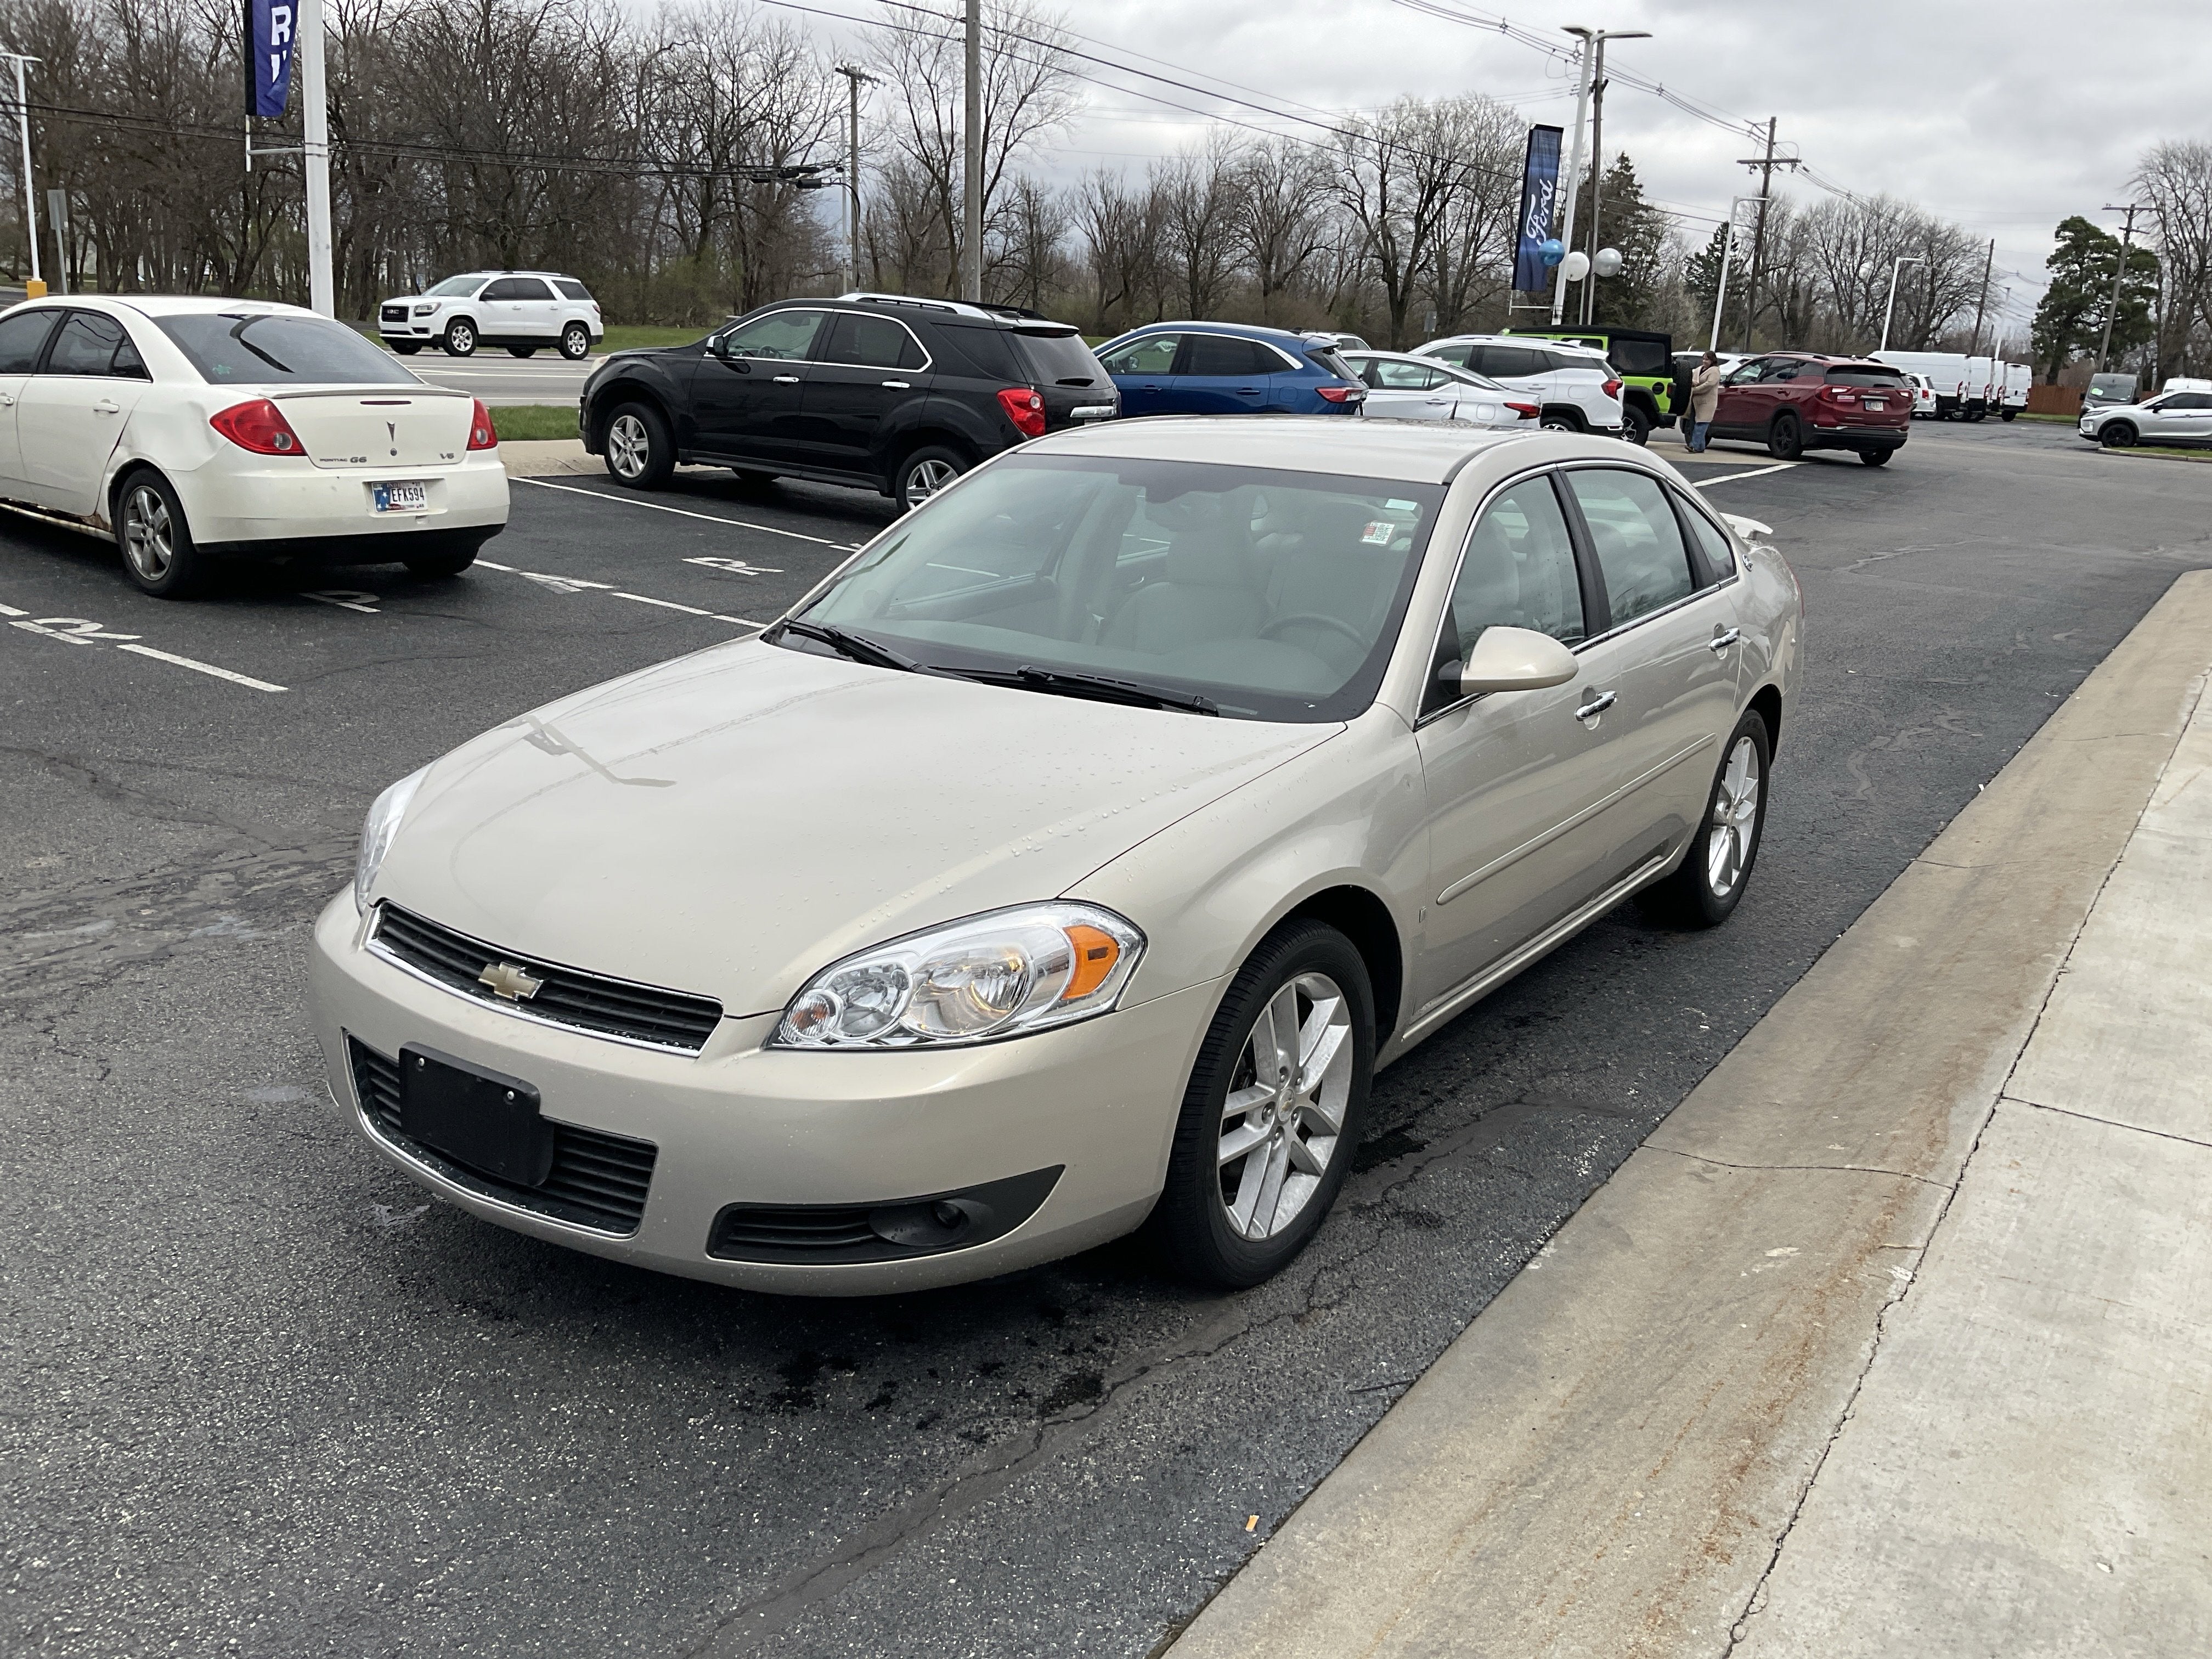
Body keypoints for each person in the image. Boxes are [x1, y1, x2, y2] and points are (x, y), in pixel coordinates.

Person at [1685, 352, 1722, 452]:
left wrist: (1695, 390)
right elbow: (1692, 379)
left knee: (1701, 424)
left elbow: (1709, 385)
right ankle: (1700, 446)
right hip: (1695, 402)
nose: (1704, 361)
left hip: (1707, 403)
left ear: (1712, 360)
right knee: (1693, 424)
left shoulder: (1715, 371)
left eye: (1707, 359)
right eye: (1704, 359)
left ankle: (1694, 446)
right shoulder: (1698, 370)